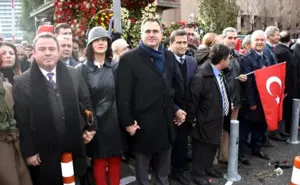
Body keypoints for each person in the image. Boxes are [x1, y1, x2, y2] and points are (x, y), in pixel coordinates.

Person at [13, 33, 96, 185]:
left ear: (58, 52)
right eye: (42, 49)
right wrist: (30, 152)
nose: (47, 52)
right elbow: (22, 121)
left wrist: (91, 127)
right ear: (34, 53)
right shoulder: (23, 81)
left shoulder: (73, 73)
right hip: (44, 150)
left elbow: (86, 103)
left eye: (52, 48)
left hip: (73, 143)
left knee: (74, 181)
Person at [117, 17, 184, 185]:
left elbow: (169, 89)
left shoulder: (168, 56)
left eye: (155, 31)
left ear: (162, 34)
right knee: (142, 175)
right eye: (148, 31)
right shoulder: (128, 59)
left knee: (163, 173)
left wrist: (176, 109)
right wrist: (128, 122)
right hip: (141, 125)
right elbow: (123, 95)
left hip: (165, 123)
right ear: (141, 34)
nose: (151, 34)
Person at [76, 26, 124, 185]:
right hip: (95, 123)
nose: (101, 43)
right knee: (99, 160)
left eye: (104, 39)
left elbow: (123, 94)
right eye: (96, 40)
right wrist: (89, 125)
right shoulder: (81, 69)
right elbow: (82, 100)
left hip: (115, 122)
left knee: (115, 160)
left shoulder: (116, 66)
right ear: (90, 44)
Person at [187, 43, 231, 185]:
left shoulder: (219, 72)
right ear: (223, 60)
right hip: (204, 121)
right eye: (229, 58)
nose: (230, 60)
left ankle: (207, 168)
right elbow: (192, 101)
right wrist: (194, 120)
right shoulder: (201, 76)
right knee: (202, 148)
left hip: (216, 118)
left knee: (212, 145)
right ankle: (198, 174)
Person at [0, 44, 32, 185]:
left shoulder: (21, 80)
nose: (8, 56)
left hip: (18, 139)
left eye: (11, 53)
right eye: (4, 53)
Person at [168, 29, 198, 184]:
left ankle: (178, 171)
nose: (182, 46)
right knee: (168, 145)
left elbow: (193, 88)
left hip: (186, 111)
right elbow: (162, 90)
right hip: (168, 110)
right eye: (178, 42)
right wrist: (175, 110)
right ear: (171, 43)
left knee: (181, 143)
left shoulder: (192, 62)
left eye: (184, 42)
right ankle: (166, 171)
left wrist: (187, 112)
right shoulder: (164, 61)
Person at [239, 30, 271, 165]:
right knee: (245, 128)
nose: (259, 42)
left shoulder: (267, 57)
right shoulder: (246, 59)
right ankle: (240, 153)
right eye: (257, 40)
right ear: (251, 42)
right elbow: (249, 83)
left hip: (264, 99)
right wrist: (251, 102)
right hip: (252, 100)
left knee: (260, 126)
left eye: (262, 40)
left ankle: (256, 149)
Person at [219, 27, 247, 164]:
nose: (232, 40)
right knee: (220, 131)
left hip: (235, 99)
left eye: (235, 38)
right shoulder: (217, 54)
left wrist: (242, 77)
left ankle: (226, 157)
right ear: (223, 38)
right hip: (222, 101)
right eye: (229, 37)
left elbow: (235, 76)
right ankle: (217, 161)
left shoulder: (236, 55)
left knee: (230, 130)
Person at [274, 30, 298, 134]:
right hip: (285, 86)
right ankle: (281, 131)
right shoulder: (285, 52)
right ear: (290, 39)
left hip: (279, 85)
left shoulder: (277, 50)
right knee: (284, 110)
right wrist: (286, 89)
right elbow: (286, 72)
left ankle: (280, 131)